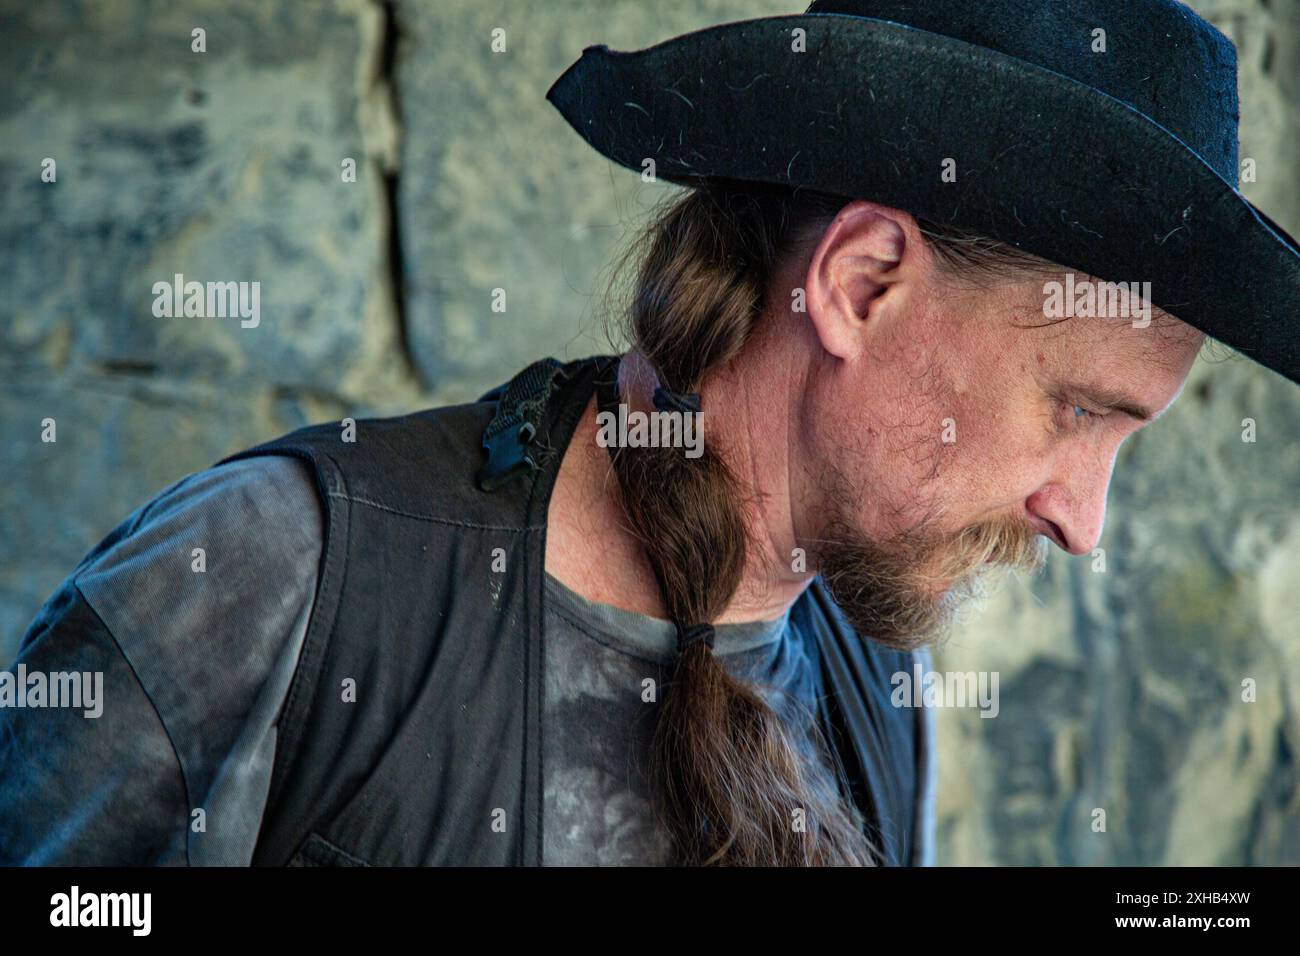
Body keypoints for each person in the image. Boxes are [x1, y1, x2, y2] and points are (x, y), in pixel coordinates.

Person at [2, 0, 1297, 867]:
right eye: (1078, 410)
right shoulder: (272, 575)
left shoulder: (874, 678)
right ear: (860, 286)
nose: (1085, 517)